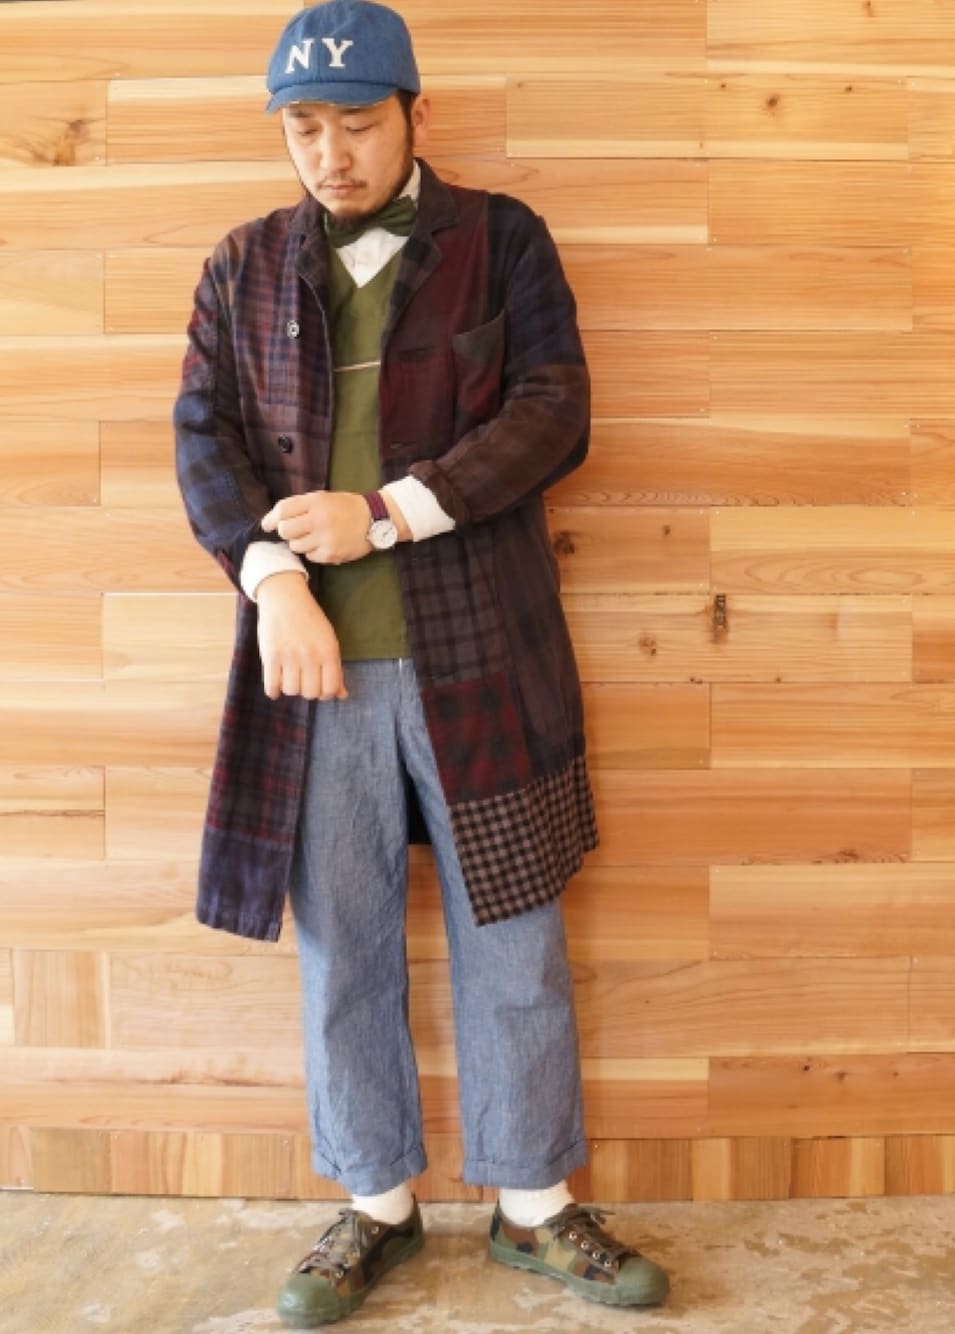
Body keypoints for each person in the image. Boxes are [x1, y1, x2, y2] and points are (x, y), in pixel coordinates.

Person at [174, 0, 670, 1324]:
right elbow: (203, 440)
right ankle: (376, 1204)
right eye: (304, 128)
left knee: (516, 933)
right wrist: (276, 582)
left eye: (356, 124)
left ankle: (534, 1205)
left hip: (481, 659)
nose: (329, 155)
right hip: (313, 673)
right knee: (342, 945)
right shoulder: (242, 265)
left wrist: (386, 513)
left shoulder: (503, 240)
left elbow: (554, 413)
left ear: (415, 117)